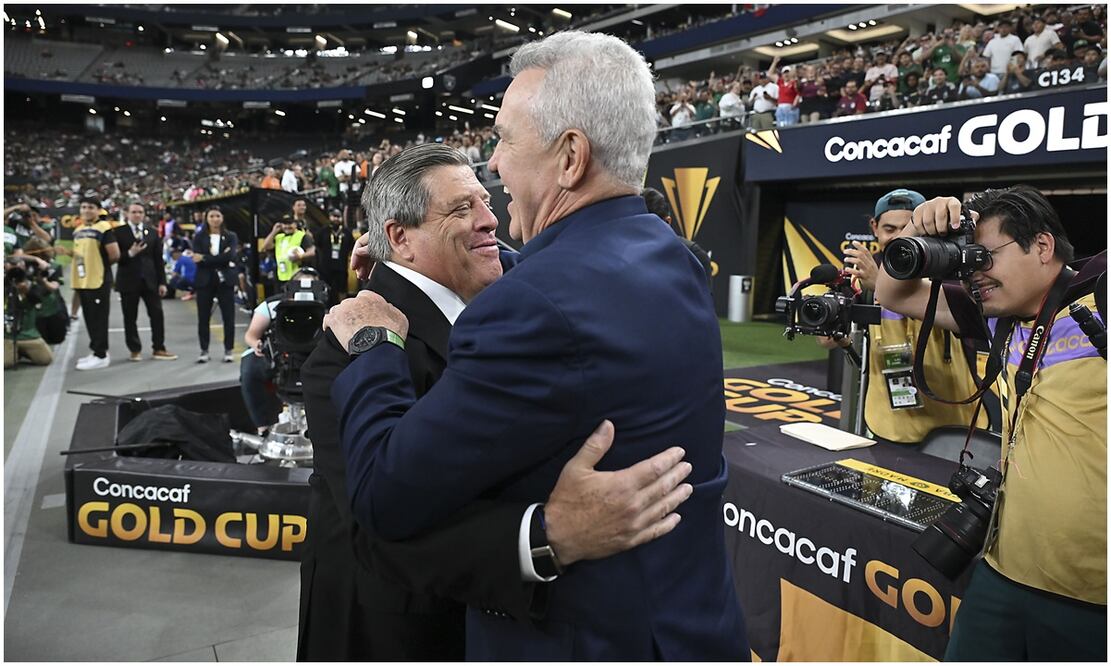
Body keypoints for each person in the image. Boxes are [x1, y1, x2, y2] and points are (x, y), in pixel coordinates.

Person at [326, 30, 747, 660]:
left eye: (503, 139)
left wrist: (376, 341)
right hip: (694, 625)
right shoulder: (670, 253)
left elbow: (384, 495)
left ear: (570, 157)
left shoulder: (531, 306)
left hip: (589, 639)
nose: (494, 164)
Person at [297, 144, 692, 660]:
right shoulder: (347, 351)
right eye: (462, 209)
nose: (491, 221)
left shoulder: (507, 298)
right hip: (400, 639)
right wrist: (551, 536)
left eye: (486, 201)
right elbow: (377, 537)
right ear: (400, 236)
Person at [875, 186, 1106, 661]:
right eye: (968, 262)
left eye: (984, 256)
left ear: (1042, 247)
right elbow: (890, 293)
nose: (975, 275)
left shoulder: (1099, 289)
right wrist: (922, 226)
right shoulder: (997, 317)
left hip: (1094, 598)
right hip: (999, 574)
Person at [820, 189, 987, 443]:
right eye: (889, 229)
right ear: (874, 227)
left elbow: (971, 319)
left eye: (907, 228)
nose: (898, 238)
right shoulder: (861, 272)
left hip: (954, 421)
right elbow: (828, 340)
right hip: (887, 421)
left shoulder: (951, 265)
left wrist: (881, 285)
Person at [240, 267, 320, 434]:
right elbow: (251, 335)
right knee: (249, 370)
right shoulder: (272, 305)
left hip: (313, 356)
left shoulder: (326, 308)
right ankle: (262, 426)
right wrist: (256, 345)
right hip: (280, 355)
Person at [115, 202, 176, 362]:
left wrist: (162, 282)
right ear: (127, 213)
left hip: (151, 280)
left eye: (140, 212)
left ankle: (159, 348)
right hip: (128, 280)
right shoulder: (118, 232)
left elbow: (158, 260)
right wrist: (130, 253)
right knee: (130, 317)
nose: (137, 215)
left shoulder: (153, 233)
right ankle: (134, 350)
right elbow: (114, 258)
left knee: (157, 315)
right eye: (134, 212)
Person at [71, 197, 119, 370]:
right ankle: (95, 351)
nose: (86, 210)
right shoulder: (78, 230)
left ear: (98, 210)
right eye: (83, 207)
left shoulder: (104, 228)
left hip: (98, 280)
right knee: (90, 318)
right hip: (83, 280)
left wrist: (99, 268)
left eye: (90, 207)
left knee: (99, 318)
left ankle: (101, 355)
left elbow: (114, 254)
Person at [192, 206, 239, 363]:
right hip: (205, 280)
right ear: (207, 218)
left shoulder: (231, 236)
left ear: (222, 217)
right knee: (203, 317)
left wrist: (205, 258)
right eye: (211, 216)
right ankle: (204, 350)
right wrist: (220, 257)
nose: (215, 219)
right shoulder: (199, 237)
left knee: (228, 316)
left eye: (217, 216)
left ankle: (228, 349)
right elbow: (196, 258)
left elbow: (230, 256)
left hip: (225, 280)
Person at [310, 209, 352, 306]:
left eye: (338, 216)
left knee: (342, 288)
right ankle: (324, 306)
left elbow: (351, 247)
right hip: (325, 266)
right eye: (334, 216)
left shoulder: (346, 232)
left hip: (341, 266)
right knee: (325, 288)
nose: (336, 219)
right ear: (330, 217)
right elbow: (317, 245)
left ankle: (343, 307)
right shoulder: (323, 231)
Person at [262, 216, 315, 289]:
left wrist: (301, 256)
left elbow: (312, 251)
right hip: (281, 277)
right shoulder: (279, 237)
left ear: (295, 224)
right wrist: (274, 231)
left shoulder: (302, 236)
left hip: (298, 277)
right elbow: (266, 246)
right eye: (284, 224)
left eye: (290, 224)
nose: (287, 226)